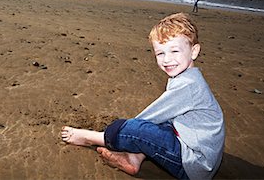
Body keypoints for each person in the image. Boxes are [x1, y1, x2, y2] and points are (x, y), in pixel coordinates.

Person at [61, 13, 225, 179]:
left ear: (194, 51)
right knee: (163, 124)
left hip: (195, 165)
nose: (167, 59)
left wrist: (122, 130)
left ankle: (90, 138)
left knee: (137, 128)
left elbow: (147, 119)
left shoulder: (188, 85)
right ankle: (134, 158)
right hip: (198, 151)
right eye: (160, 54)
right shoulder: (188, 77)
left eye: (175, 51)